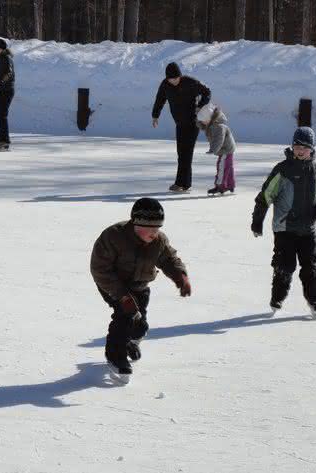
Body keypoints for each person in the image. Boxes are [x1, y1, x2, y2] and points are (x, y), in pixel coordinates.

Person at [90, 198, 191, 378]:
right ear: (136, 224)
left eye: (158, 228)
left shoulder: (158, 241)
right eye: (151, 229)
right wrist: (122, 296)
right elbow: (100, 269)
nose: (155, 233)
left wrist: (180, 276)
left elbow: (169, 259)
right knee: (125, 316)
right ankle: (115, 355)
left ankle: (130, 342)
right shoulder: (114, 237)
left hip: (140, 286)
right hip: (113, 285)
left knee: (140, 326)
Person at [251, 126, 316, 320]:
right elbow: (265, 195)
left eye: (304, 147)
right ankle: (277, 298)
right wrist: (257, 219)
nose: (300, 150)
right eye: (296, 146)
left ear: (312, 149)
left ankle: (314, 300)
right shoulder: (283, 170)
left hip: (307, 228)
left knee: (311, 267)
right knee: (284, 266)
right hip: (285, 228)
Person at [151, 62, 211, 192]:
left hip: (193, 122)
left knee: (186, 153)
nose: (174, 81)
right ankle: (184, 183)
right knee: (181, 153)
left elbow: (207, 92)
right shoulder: (165, 85)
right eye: (171, 79)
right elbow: (160, 99)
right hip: (179, 123)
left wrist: (200, 105)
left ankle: (181, 183)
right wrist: (155, 115)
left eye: (176, 78)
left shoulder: (190, 82)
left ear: (180, 76)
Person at [197, 103, 236, 195]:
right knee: (228, 167)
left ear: (209, 118)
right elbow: (203, 126)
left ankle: (220, 186)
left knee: (221, 167)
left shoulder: (219, 127)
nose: (202, 122)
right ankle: (230, 185)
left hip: (225, 150)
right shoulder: (213, 124)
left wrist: (213, 149)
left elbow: (219, 140)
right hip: (227, 149)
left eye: (203, 120)